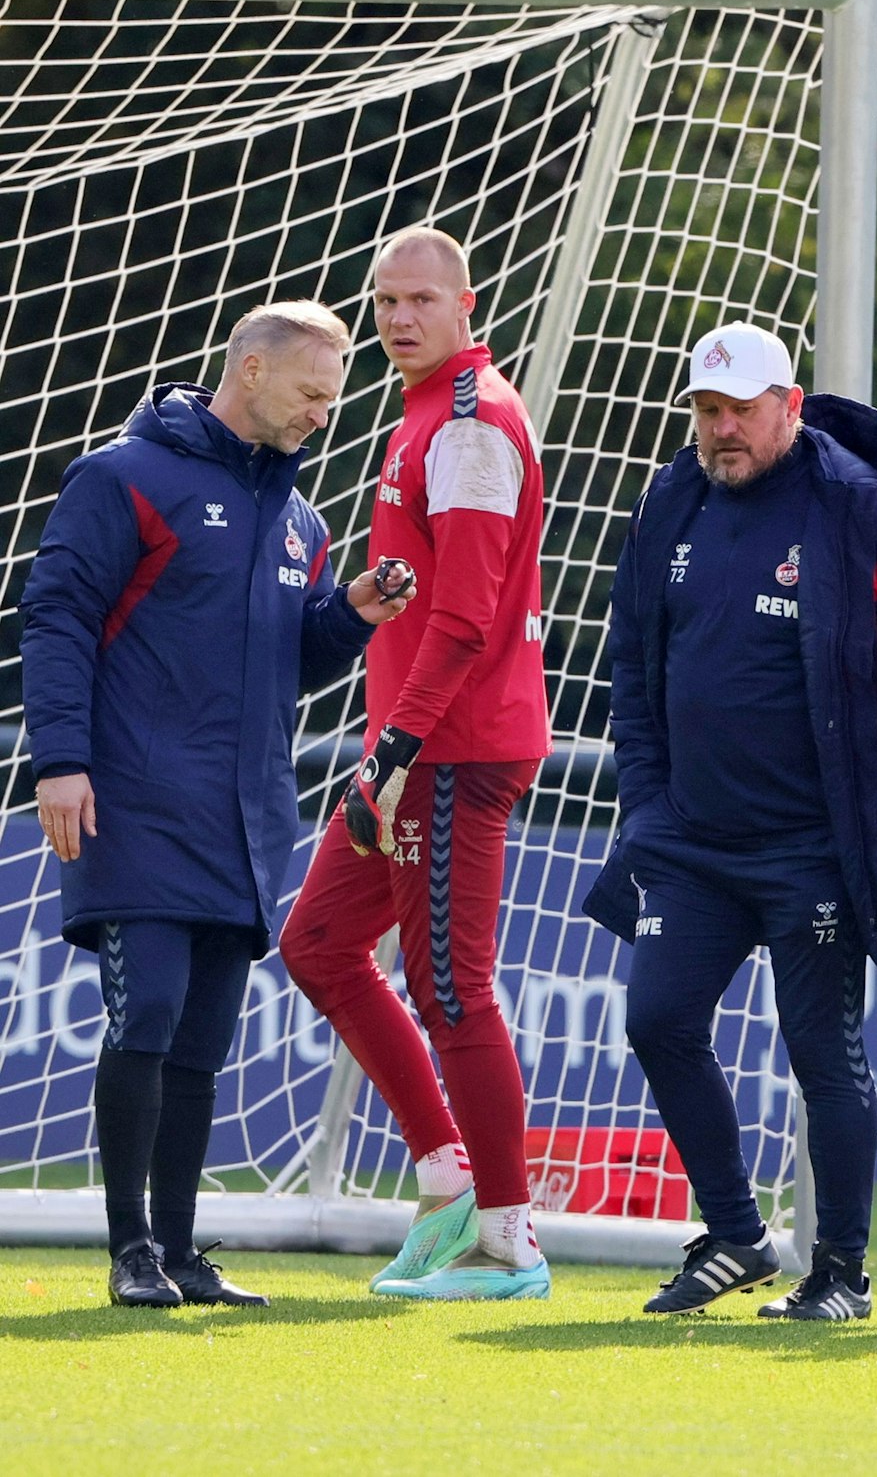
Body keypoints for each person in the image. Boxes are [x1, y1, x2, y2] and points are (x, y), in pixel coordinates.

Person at [21, 301, 413, 1307]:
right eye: (311, 392)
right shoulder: (123, 477)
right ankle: (130, 1252)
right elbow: (56, 615)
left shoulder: (301, 521)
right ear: (250, 370)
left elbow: (290, 661)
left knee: (201, 1042)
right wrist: (59, 759)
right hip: (133, 798)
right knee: (148, 1011)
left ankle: (182, 1253)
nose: (323, 413)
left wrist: (349, 616)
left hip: (245, 816)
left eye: (332, 398)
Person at [581, 322, 877, 1320]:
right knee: (657, 1021)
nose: (721, 429)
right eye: (706, 411)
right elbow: (633, 663)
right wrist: (647, 804)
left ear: (789, 406)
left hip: (813, 847)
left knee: (821, 1057)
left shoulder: (863, 510)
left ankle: (840, 1272)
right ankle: (737, 1236)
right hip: (691, 841)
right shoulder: (670, 499)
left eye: (741, 410)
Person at [278, 227, 552, 1301]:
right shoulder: (427, 411)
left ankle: (509, 1240)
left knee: (451, 989)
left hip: (448, 750)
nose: (398, 317)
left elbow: (469, 619)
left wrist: (391, 751)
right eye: (385, 299)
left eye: (421, 300)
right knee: (318, 944)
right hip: (413, 746)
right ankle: (446, 1183)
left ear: (465, 305)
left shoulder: (472, 421)